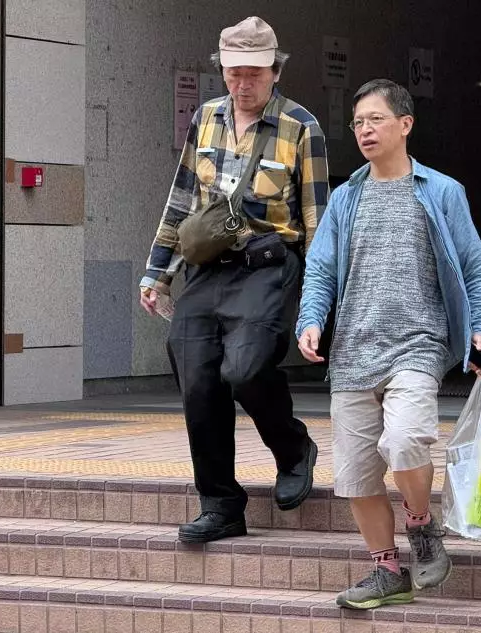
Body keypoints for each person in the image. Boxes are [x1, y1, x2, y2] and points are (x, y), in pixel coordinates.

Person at [296, 78, 481, 609]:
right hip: (352, 352)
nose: (365, 130)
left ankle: (422, 525)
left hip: (418, 344)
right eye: (358, 122)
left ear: (405, 124)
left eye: (376, 119)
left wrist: (478, 328)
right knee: (357, 474)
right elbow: (320, 269)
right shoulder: (345, 198)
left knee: (406, 441)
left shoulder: (442, 192)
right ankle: (387, 571)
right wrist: (311, 320)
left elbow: (475, 269)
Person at [139, 16, 329, 543]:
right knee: (197, 377)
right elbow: (181, 201)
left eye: (255, 73)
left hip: (268, 267)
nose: (243, 83)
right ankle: (221, 505)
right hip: (206, 269)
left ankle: (293, 449)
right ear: (221, 70)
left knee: (244, 369)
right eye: (234, 72)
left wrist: (319, 298)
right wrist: (158, 273)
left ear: (275, 71)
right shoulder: (205, 118)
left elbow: (317, 218)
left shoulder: (301, 126)